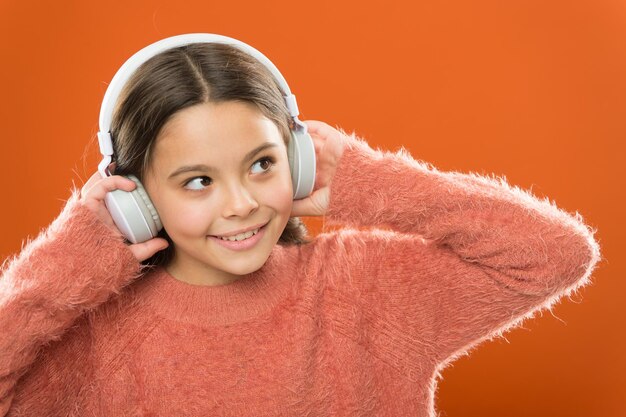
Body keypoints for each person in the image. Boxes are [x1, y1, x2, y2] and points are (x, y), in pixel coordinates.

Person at [0, 41, 602, 416]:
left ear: (298, 157)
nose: (241, 204)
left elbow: (555, 254)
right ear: (138, 198)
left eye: (262, 164)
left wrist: (374, 183)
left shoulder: (364, 288)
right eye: (197, 181)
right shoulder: (88, 340)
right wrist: (68, 260)